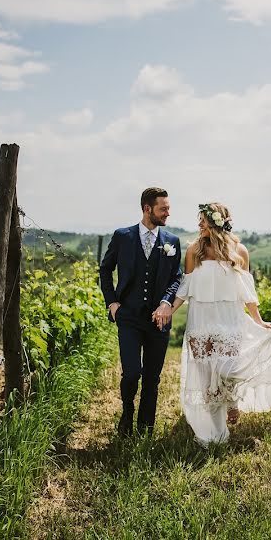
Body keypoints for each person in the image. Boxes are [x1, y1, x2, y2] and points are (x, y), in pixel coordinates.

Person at [164, 202, 271, 445]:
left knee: (228, 370)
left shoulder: (240, 252)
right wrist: (170, 309)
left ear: (215, 223)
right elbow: (186, 287)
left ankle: (232, 401)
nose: (199, 224)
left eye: (203, 220)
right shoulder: (194, 250)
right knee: (205, 375)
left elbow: (247, 292)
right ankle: (215, 431)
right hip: (201, 319)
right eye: (199, 219)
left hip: (229, 319)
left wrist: (259, 320)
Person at [99, 187, 182, 436]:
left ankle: (145, 429)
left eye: (168, 207)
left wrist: (166, 302)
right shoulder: (123, 236)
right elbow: (105, 270)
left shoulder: (172, 242)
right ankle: (126, 412)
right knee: (132, 372)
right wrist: (112, 303)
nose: (168, 212)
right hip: (129, 317)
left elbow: (176, 278)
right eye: (163, 208)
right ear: (148, 209)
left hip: (159, 321)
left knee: (152, 378)